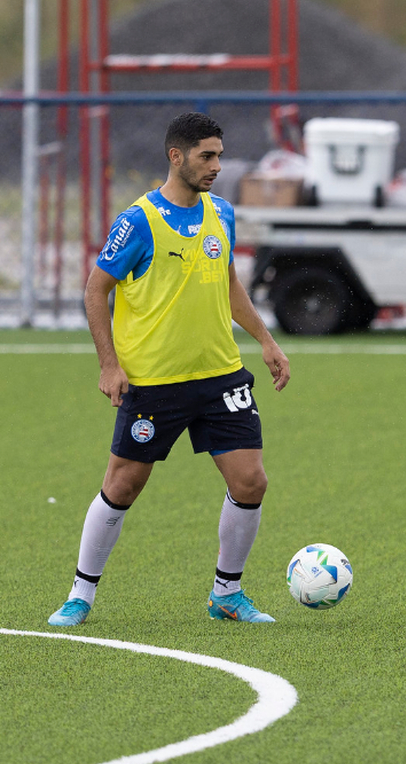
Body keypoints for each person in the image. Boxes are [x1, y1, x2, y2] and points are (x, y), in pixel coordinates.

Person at [47, 112, 291, 627]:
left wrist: (265, 340)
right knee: (123, 485)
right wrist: (108, 365)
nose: (217, 166)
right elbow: (96, 290)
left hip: (220, 375)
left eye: (220, 155)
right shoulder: (138, 221)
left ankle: (227, 593)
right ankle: (80, 595)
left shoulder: (220, 213)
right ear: (175, 157)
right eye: (207, 156)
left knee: (251, 482)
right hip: (155, 382)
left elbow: (226, 282)